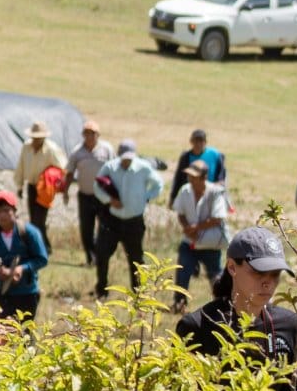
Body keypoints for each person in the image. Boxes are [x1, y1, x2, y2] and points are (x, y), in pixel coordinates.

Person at [178, 227, 297, 391]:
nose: (268, 282)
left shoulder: (290, 324)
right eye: (258, 272)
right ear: (232, 267)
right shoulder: (197, 325)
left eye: (275, 274)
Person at [93, 140, 162, 297]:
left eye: (130, 158)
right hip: (112, 220)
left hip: (134, 222)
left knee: (136, 258)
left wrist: (146, 197)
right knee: (103, 254)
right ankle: (101, 290)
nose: (127, 161)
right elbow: (97, 185)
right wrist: (109, 200)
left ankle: (138, 293)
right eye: (124, 158)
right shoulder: (110, 167)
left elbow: (158, 184)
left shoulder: (143, 168)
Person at [0, 189, 49, 323]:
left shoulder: (29, 232)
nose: (2, 215)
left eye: (6, 210)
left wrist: (21, 269)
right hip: (2, 294)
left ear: (14, 210)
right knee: (1, 333)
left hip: (27, 293)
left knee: (25, 334)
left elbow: (42, 258)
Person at [172, 159, 229, 312]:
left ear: (204, 177)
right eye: (190, 176)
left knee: (215, 276)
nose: (190, 179)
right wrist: (187, 228)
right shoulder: (185, 190)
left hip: (209, 244)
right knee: (182, 272)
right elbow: (180, 213)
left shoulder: (215, 192)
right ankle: (179, 304)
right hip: (189, 241)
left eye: (194, 176)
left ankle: (222, 305)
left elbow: (218, 218)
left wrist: (195, 228)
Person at [62, 120, 112, 267]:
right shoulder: (77, 152)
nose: (90, 137)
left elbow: (114, 170)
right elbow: (70, 172)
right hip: (85, 195)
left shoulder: (107, 149)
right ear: (83, 135)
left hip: (102, 196)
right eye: (87, 134)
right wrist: (66, 191)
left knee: (104, 228)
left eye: (93, 134)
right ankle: (91, 259)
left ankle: (101, 257)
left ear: (98, 135)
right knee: (86, 230)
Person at [12, 121, 67, 236]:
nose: (36, 140)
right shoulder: (26, 147)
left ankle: (43, 247)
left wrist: (55, 183)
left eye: (39, 138)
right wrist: (20, 186)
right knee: (34, 219)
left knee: (39, 219)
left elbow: (63, 168)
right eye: (34, 137)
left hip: (45, 188)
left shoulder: (52, 149)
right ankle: (43, 246)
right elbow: (21, 166)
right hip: (32, 186)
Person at [169, 128, 227, 206]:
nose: (198, 144)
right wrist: (173, 198)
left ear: (205, 142)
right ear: (191, 142)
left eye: (201, 141)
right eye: (196, 141)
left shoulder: (216, 155)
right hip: (192, 193)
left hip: (211, 192)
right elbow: (178, 179)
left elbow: (222, 178)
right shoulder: (186, 157)